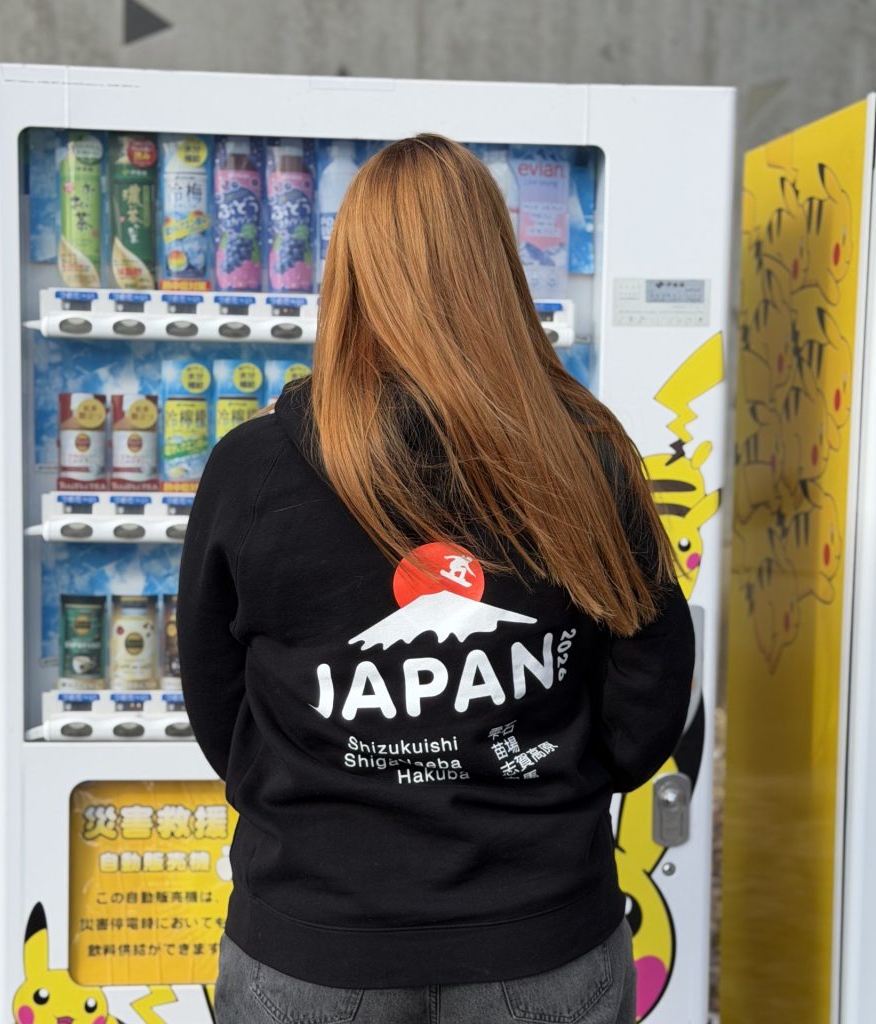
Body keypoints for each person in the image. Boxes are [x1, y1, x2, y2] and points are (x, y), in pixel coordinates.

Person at [178, 133, 695, 1024]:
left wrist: (326, 793)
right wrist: (559, 777)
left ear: (349, 272)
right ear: (497, 265)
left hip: (310, 945)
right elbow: (650, 684)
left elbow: (217, 703)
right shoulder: (586, 454)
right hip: (544, 939)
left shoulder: (252, 470)